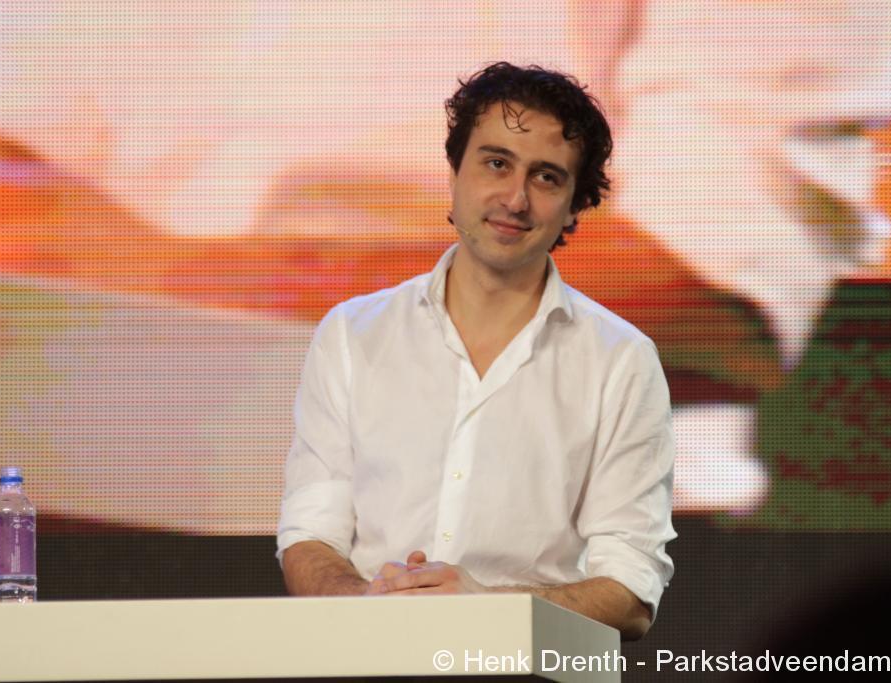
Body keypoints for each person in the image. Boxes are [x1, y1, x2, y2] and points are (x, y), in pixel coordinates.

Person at [275, 63, 675, 639]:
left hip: (525, 668)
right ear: (454, 172)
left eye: (546, 177)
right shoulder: (352, 333)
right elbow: (311, 532)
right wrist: (365, 604)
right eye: (496, 163)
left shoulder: (621, 359)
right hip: (363, 659)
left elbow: (632, 589)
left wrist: (487, 608)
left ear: (574, 205)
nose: (514, 199)